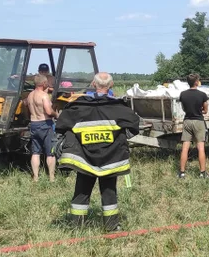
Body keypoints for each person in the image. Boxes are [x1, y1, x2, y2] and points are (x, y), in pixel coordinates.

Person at [56, 72, 140, 230]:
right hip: (111, 158)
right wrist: (121, 137)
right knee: (109, 191)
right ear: (111, 85)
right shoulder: (118, 108)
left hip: (84, 159)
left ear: (93, 84)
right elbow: (135, 125)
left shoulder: (78, 107)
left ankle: (76, 226)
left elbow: (60, 126)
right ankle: (111, 226)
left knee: (81, 190)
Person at [178, 73, 209, 179]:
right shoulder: (202, 95)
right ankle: (202, 172)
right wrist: (200, 110)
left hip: (187, 121)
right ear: (196, 82)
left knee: (185, 148)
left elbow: (184, 108)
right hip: (198, 121)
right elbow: (205, 110)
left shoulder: (183, 94)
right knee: (200, 148)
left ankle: (182, 172)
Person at [26, 73, 57, 182]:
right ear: (44, 83)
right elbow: (48, 111)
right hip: (45, 124)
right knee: (50, 152)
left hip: (34, 124)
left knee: (35, 152)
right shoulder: (44, 96)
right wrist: (56, 114)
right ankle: (52, 178)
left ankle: (35, 177)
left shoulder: (30, 95)